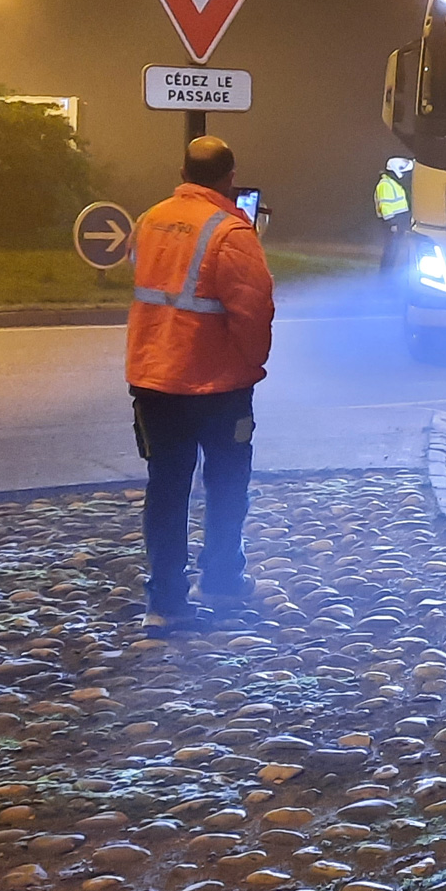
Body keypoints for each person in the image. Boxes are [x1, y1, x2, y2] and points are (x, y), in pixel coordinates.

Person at [126, 135, 276, 636]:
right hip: (218, 384)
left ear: (183, 171)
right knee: (227, 483)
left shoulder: (149, 220)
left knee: (166, 487)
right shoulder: (232, 232)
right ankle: (221, 579)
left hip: (153, 378)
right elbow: (254, 311)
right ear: (230, 178)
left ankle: (166, 600)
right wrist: (252, 364)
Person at [374, 156, 413, 273]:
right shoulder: (385, 184)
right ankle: (385, 276)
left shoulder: (392, 183)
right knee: (390, 251)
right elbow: (385, 207)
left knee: (394, 250)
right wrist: (392, 224)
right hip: (392, 223)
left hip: (397, 222)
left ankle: (388, 275)